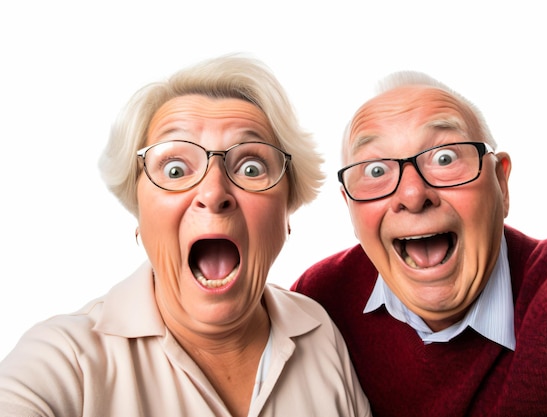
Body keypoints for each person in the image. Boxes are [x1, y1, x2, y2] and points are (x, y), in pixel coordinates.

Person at [0, 55, 371, 417]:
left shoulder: (319, 331)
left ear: (286, 214)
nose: (213, 193)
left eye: (251, 166)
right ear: (140, 216)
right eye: (175, 169)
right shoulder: (63, 360)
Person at [292, 71, 547, 416]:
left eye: (444, 158)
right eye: (376, 171)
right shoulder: (317, 304)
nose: (412, 194)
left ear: (501, 183)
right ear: (349, 208)